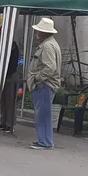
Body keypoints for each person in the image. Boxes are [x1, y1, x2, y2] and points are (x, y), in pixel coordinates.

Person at [28, 17, 62, 149]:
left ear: (42, 33)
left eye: (38, 32)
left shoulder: (47, 46)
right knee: (44, 114)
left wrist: (37, 78)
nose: (37, 35)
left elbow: (50, 68)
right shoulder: (52, 44)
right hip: (47, 84)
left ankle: (45, 142)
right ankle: (45, 140)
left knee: (42, 115)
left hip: (44, 84)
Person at [0, 40, 22, 132]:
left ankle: (10, 124)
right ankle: (3, 122)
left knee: (10, 100)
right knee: (3, 100)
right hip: (4, 75)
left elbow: (12, 63)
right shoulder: (2, 44)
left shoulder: (12, 45)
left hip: (10, 74)